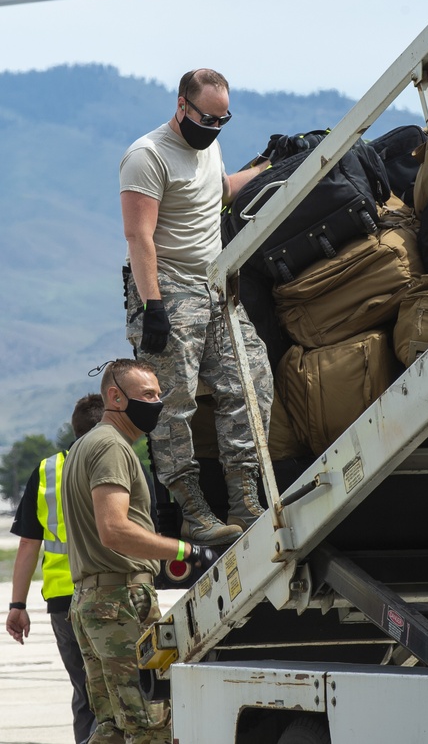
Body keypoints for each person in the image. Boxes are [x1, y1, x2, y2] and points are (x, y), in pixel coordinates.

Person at [120, 68, 273, 544]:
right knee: (173, 401)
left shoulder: (210, 146)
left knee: (252, 381)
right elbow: (138, 235)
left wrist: (270, 164)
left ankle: (245, 498)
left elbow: (219, 192)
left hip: (216, 287)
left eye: (223, 120)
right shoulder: (147, 156)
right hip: (169, 286)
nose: (213, 128)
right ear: (182, 106)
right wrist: (153, 306)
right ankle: (191, 508)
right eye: (207, 119)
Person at [63, 359, 213, 744]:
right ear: (115, 397)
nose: (157, 403)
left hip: (94, 602)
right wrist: (187, 550)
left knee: (113, 728)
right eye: (148, 395)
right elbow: (114, 530)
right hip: (121, 601)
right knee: (152, 725)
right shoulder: (110, 447)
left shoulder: (83, 446)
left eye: (159, 394)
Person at [6, 394, 103, 744]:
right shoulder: (115, 461)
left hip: (63, 600)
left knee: (85, 693)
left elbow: (28, 544)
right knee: (122, 691)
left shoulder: (46, 470)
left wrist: (18, 605)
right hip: (112, 591)